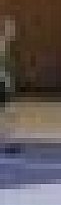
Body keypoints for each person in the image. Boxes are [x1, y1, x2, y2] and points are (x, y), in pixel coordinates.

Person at [0, 16, 18, 153]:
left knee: (8, 114)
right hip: (2, 85)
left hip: (5, 86)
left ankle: (5, 141)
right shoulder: (1, 45)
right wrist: (5, 80)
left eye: (13, 27)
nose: (13, 30)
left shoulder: (6, 45)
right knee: (7, 114)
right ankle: (5, 142)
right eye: (10, 27)